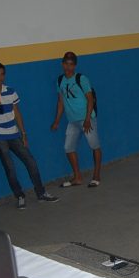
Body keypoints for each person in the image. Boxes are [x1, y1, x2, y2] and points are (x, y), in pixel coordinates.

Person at [0, 62, 58, 209]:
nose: (0, 77)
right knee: (10, 169)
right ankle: (20, 196)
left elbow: (17, 113)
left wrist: (24, 133)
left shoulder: (10, 91)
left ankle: (41, 193)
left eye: (2, 74)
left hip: (14, 135)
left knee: (31, 162)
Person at [51, 52, 102, 187]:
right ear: (62, 64)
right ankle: (77, 177)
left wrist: (87, 119)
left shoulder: (81, 79)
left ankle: (96, 175)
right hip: (72, 121)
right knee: (68, 148)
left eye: (71, 64)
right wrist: (56, 121)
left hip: (87, 119)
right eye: (66, 64)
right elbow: (61, 102)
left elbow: (90, 99)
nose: (68, 67)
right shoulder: (60, 81)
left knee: (94, 146)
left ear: (75, 66)